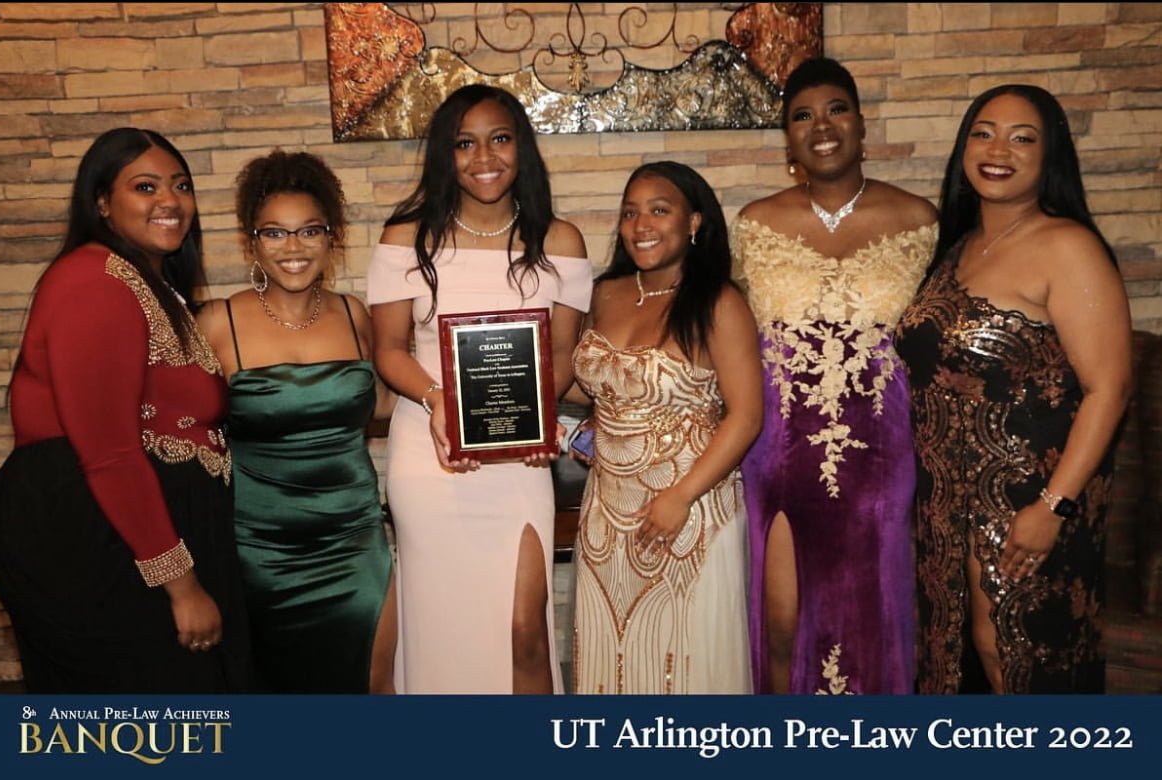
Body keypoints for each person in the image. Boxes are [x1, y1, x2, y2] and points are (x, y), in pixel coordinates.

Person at [0, 127, 249, 692]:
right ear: (103, 203)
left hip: (134, 535)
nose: (170, 200)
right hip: (95, 540)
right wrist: (181, 586)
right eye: (145, 186)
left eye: (181, 185)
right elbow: (109, 452)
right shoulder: (94, 278)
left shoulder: (151, 284)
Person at [895, 85, 1131, 694]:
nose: (998, 149)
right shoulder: (957, 247)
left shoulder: (1066, 247)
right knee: (960, 661)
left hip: (1028, 502)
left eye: (1022, 137)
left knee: (1016, 660)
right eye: (984, 132)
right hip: (946, 509)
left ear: (1049, 156)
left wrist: (1054, 507)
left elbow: (1110, 388)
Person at [368, 84, 592, 693]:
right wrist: (440, 402)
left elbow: (565, 353)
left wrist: (539, 418)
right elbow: (387, 350)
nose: (483, 157)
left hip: (520, 458)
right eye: (464, 144)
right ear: (446, 154)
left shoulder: (561, 242)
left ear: (521, 148)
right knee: (441, 623)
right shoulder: (405, 238)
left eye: (499, 139)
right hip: (431, 452)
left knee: (525, 629)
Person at [731, 57, 938, 694]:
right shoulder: (754, 224)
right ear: (788, 139)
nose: (821, 125)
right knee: (782, 622)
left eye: (836, 109)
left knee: (870, 617)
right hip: (777, 452)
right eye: (802, 115)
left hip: (879, 457)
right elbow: (724, 335)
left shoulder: (919, 221)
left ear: (861, 123)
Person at [196, 150, 397, 693]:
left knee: (373, 683)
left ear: (331, 237)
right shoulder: (217, 322)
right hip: (260, 550)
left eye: (310, 230)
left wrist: (463, 392)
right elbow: (182, 435)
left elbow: (379, 405)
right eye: (275, 234)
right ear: (252, 241)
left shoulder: (355, 313)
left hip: (354, 538)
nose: (294, 248)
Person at [567, 161, 761, 694]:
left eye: (659, 210)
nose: (641, 224)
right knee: (614, 661)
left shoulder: (719, 302)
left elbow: (746, 416)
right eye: (630, 213)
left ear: (694, 221)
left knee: (686, 663)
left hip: (690, 513)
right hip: (606, 517)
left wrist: (681, 495)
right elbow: (591, 386)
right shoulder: (604, 293)